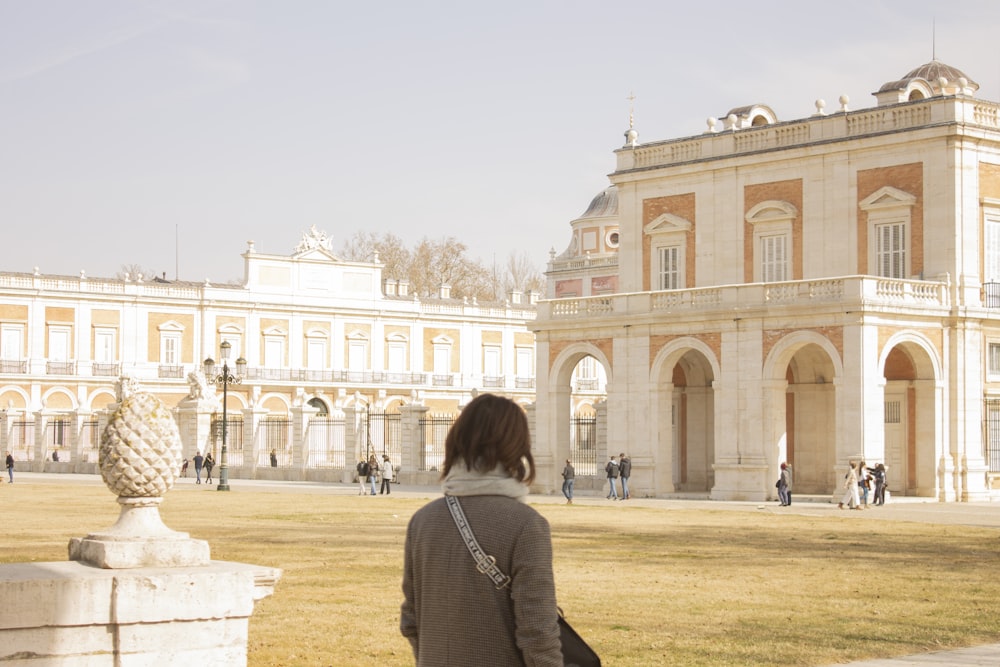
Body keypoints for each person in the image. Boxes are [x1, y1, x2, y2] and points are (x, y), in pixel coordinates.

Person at [400, 393, 562, 665]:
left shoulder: (422, 521)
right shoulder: (526, 525)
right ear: (517, 445)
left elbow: (411, 620)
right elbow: (538, 634)